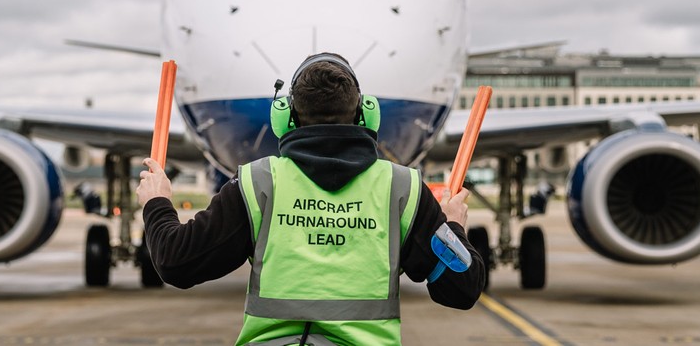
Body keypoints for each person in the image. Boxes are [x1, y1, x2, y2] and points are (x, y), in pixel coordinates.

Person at [138, 52, 484, 345]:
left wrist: (157, 203)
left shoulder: (256, 184)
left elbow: (175, 262)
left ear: (285, 117)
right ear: (366, 114)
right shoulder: (402, 189)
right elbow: (462, 288)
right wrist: (453, 227)